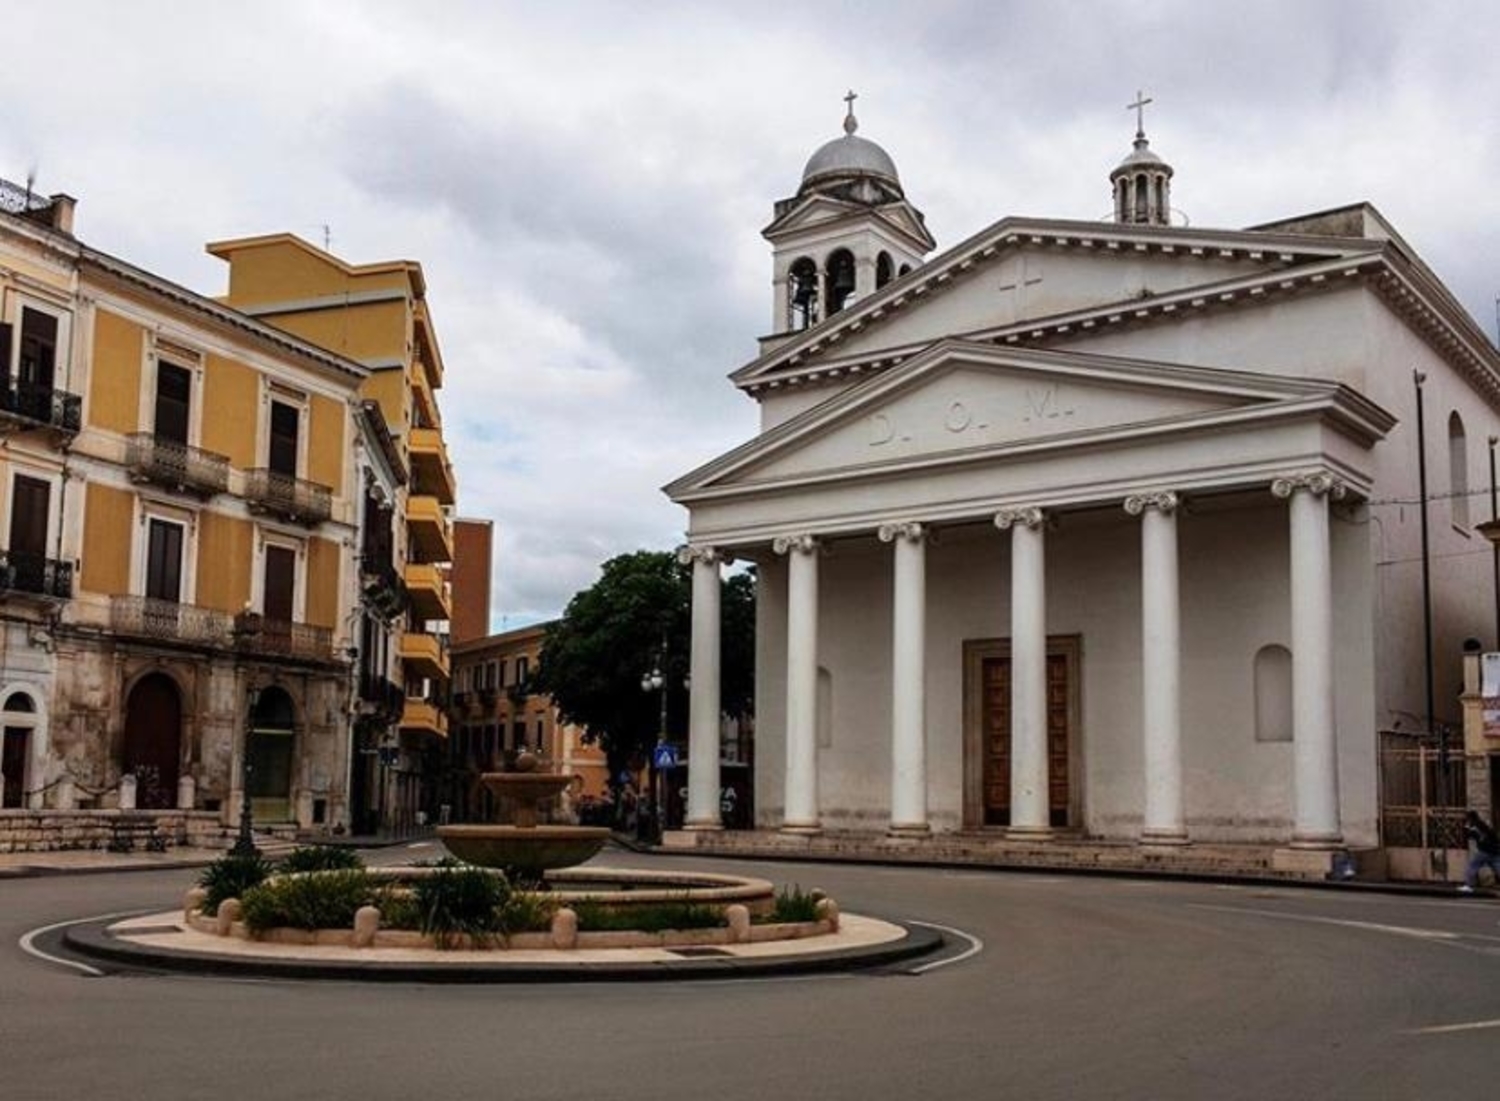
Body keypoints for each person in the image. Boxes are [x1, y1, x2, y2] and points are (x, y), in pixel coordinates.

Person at [1459, 810, 1500, 894]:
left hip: (1485, 851)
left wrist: (1465, 827)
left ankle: (1468, 885)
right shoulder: (1483, 824)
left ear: (1470, 818)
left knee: (1472, 866)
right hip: (1495, 850)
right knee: (1498, 868)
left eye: (1468, 818)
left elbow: (1468, 835)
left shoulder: (1475, 826)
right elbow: (1493, 835)